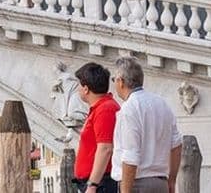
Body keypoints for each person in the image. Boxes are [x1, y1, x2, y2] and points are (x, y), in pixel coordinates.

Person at [111, 57, 182, 193]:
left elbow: (130, 156)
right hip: (160, 183)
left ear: (121, 82)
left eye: (114, 80)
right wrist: (172, 180)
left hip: (136, 184)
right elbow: (177, 145)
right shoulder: (162, 103)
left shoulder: (129, 108)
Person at [73, 63, 120, 193]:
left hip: (101, 184)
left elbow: (105, 148)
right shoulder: (101, 108)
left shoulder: (105, 110)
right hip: (98, 183)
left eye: (78, 85)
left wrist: (92, 184)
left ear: (86, 89)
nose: (77, 89)